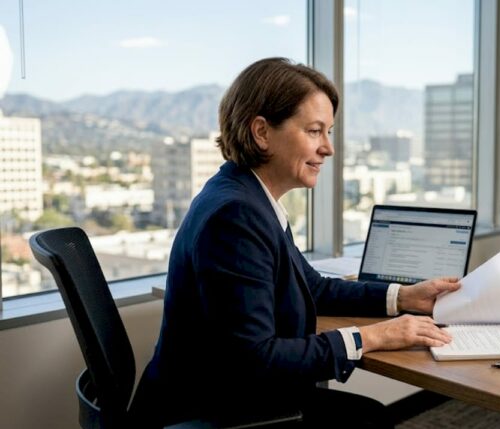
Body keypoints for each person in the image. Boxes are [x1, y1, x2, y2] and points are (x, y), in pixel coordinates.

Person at [136, 57, 461, 428]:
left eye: (329, 132)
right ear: (261, 132)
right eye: (314, 131)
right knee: (369, 419)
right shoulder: (236, 215)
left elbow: (312, 286)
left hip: (223, 395)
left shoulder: (247, 196)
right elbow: (255, 358)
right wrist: (374, 336)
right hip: (210, 409)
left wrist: (403, 298)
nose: (328, 148)